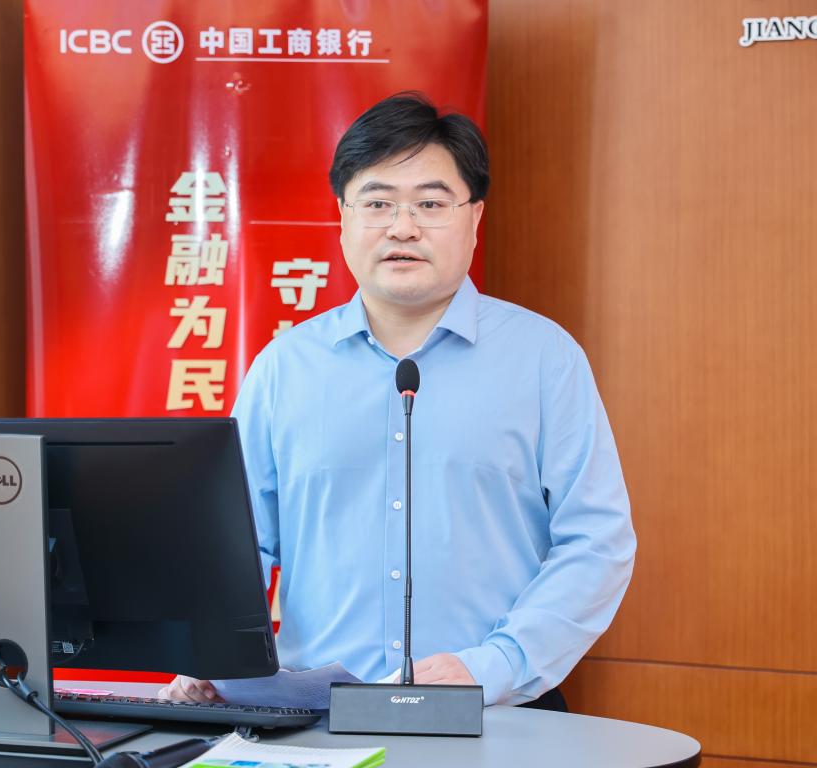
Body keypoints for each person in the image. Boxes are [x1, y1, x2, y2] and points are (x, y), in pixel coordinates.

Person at [160, 92, 636, 709]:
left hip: (496, 711)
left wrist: (495, 664)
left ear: (475, 217)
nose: (402, 227)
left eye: (430, 204)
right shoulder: (284, 368)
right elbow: (235, 545)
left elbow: (596, 541)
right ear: (343, 217)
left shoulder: (545, 358)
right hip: (314, 718)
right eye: (377, 202)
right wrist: (212, 652)